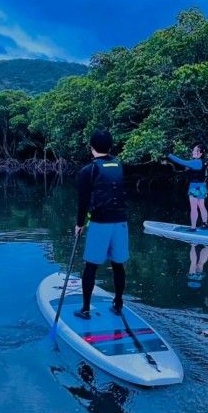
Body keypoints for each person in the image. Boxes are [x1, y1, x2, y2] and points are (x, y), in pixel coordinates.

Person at [73, 129, 129, 320]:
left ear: (91, 147)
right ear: (111, 147)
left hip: (100, 223)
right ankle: (118, 304)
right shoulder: (119, 165)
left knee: (91, 266)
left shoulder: (88, 170)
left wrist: (79, 224)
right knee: (118, 264)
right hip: (121, 223)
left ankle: (86, 309)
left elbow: (83, 201)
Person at [168, 143, 208, 231]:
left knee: (194, 208)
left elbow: (181, 162)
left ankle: (193, 227)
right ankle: (205, 224)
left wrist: (170, 155)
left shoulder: (194, 162)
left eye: (195, 151)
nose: (193, 152)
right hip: (202, 187)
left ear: (201, 153)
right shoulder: (204, 161)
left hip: (194, 188)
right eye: (193, 150)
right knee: (202, 206)